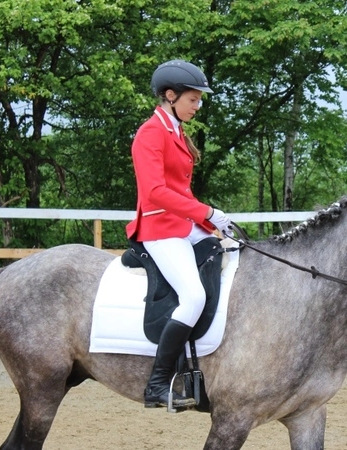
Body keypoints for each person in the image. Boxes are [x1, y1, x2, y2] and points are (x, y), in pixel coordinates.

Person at [126, 59, 232, 409]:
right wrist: (207, 212)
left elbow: (181, 191)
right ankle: (157, 384)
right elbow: (155, 192)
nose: (197, 105)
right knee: (193, 297)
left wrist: (212, 221)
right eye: (193, 99)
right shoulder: (150, 133)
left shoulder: (175, 130)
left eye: (199, 100)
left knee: (232, 255)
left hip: (184, 226)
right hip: (160, 228)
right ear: (170, 96)